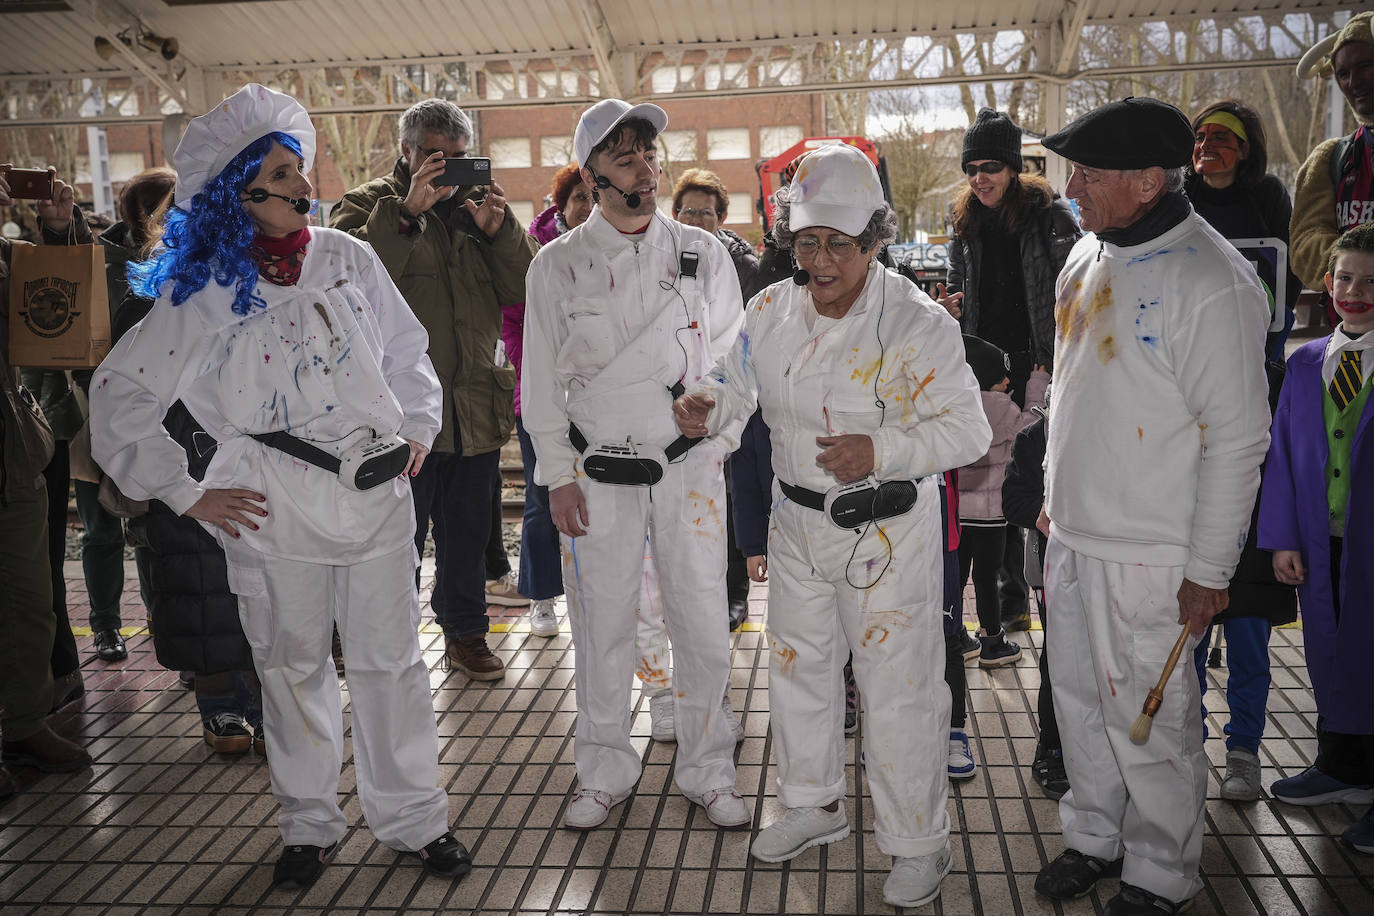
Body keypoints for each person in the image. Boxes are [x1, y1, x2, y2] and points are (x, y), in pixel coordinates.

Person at [89, 83, 468, 889]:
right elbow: (120, 397)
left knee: (390, 662)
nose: (302, 184)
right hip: (269, 499)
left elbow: (407, 350)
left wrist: (419, 431)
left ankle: (414, 818)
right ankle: (308, 823)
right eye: (281, 172)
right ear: (237, 190)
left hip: (372, 494)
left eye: (299, 169)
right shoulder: (202, 291)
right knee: (291, 668)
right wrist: (188, 492)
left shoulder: (346, 255)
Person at [675, 143, 991, 908]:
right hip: (795, 526)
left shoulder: (912, 321)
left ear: (876, 240)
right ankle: (813, 805)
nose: (819, 262)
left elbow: (969, 432)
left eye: (838, 246)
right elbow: (733, 383)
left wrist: (882, 448)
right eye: (806, 241)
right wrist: (705, 406)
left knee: (899, 688)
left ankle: (919, 841)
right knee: (798, 672)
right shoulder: (769, 310)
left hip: (884, 532)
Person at [1034, 98, 1271, 916]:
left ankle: (1161, 869)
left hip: (1153, 552)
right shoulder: (1084, 255)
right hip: (1074, 534)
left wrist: (1209, 571)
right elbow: (1069, 395)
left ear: (1144, 182)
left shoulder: (1210, 278)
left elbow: (1240, 439)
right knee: (1079, 704)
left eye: (1088, 174)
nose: (1073, 187)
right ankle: (1095, 834)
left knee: (1153, 719)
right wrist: (1049, 502)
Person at [522, 98, 749, 831]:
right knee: (602, 627)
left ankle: (710, 767)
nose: (645, 168)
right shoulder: (557, 265)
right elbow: (539, 385)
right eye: (625, 156)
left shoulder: (704, 252)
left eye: (649, 154)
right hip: (598, 475)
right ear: (593, 174)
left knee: (703, 622)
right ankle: (602, 769)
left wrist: (712, 413)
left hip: (688, 469)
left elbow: (736, 358)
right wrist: (556, 474)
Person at [332, 98, 538, 682]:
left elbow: (527, 286)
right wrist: (404, 214)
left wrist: (500, 233)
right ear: (406, 152)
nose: (443, 167)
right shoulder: (367, 206)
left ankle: (467, 636)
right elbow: (343, 287)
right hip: (399, 418)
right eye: (431, 155)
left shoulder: (476, 212)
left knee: (469, 536)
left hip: (472, 405)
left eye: (456, 157)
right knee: (392, 542)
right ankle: (375, 639)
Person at [104, 172, 267, 757]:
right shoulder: (151, 296)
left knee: (256, 592)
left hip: (247, 464)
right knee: (198, 591)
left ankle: (262, 705)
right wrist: (176, 479)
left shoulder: (261, 284)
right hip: (185, 468)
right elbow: (123, 397)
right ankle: (220, 705)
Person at [939, 108, 1082, 637]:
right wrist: (952, 313)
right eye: (972, 167)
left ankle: (1024, 593)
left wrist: (1053, 356)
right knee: (991, 475)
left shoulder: (1050, 215)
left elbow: (1070, 290)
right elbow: (960, 279)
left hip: (1037, 361)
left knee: (1030, 471)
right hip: (983, 362)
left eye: (991, 167)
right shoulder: (966, 219)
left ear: (1014, 168)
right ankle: (1004, 596)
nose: (980, 178)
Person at [1259, 222, 1374, 852]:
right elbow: (1282, 456)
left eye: (1371, 281)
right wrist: (1282, 539)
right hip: (1322, 537)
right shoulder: (1305, 364)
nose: (1355, 291)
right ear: (1327, 283)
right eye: (1345, 278)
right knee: (1330, 652)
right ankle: (1343, 767)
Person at [0, 166, 94, 794]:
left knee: (32, 601)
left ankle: (25, 721)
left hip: (13, 455)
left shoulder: (11, 256)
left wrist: (59, 233)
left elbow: (64, 311)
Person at [502, 163, 593, 638]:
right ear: (561, 205)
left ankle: (590, 590)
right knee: (541, 498)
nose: (587, 207)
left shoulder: (613, 249)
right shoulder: (535, 253)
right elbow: (514, 325)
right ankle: (540, 596)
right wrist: (543, 367)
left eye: (593, 197)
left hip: (595, 402)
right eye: (578, 197)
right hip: (539, 394)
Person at [956, 335, 1049, 668]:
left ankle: (955, 637)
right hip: (992, 516)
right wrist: (1037, 383)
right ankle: (992, 642)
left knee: (958, 576)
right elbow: (1032, 423)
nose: (1009, 380)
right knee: (987, 577)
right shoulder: (1003, 409)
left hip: (958, 515)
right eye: (1001, 376)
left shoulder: (957, 405)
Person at [1185, 100, 1301, 357]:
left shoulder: (1268, 193)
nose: (1205, 146)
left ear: (1244, 150)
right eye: (1200, 137)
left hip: (1257, 334)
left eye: (1218, 137)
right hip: (1193, 335)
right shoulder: (1181, 196)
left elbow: (1289, 268)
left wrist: (1272, 326)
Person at [1001, 384, 1071, 800]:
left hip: (1113, 568)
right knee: (1059, 660)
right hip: (1055, 570)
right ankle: (1052, 747)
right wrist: (1045, 514)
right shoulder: (1036, 436)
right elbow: (1014, 501)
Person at [1291, 13, 1374, 299]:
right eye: (1343, 73)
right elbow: (1304, 249)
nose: (1354, 82)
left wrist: (1348, 258)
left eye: (1365, 67)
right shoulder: (1329, 158)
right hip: (1349, 338)